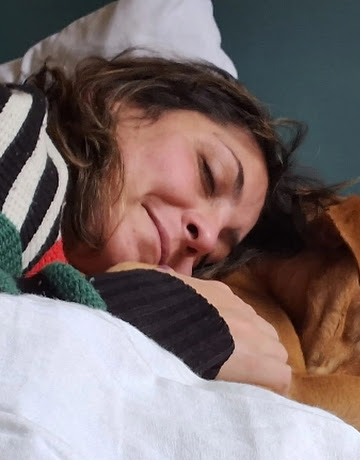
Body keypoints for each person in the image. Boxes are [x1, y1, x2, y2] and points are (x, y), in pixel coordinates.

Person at [0, 55, 341, 392]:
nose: (206, 237)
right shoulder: (16, 127)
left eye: (210, 257)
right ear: (122, 100)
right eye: (209, 174)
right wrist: (161, 317)